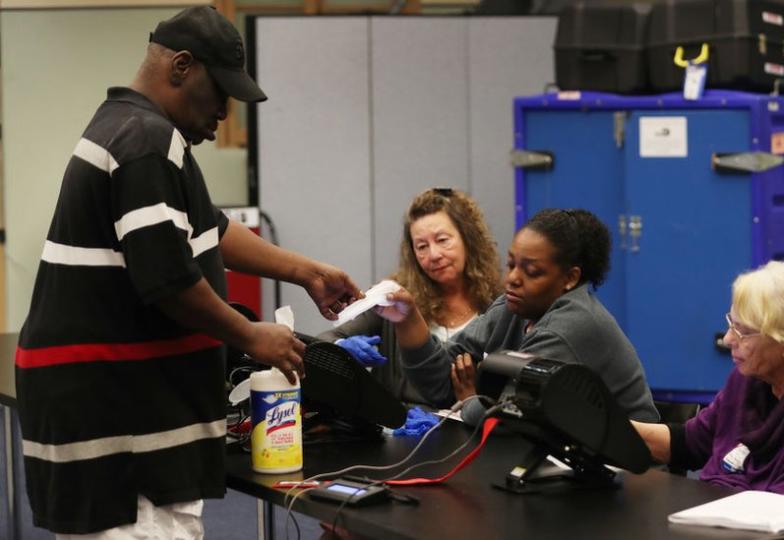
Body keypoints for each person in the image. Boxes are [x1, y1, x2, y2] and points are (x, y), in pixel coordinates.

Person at [14, 6, 361, 537]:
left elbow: (211, 230)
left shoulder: (137, 129)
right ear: (180, 66)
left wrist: (306, 271)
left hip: (116, 413)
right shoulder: (145, 142)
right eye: (219, 91)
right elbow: (168, 280)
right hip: (118, 428)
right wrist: (252, 335)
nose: (225, 111)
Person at [632, 260, 784, 514]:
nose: (729, 339)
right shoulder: (749, 379)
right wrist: (613, 431)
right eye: (731, 324)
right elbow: (691, 444)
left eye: (742, 331)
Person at [379, 208, 659, 424]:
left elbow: (506, 415)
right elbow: (440, 382)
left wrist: (470, 400)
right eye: (512, 264)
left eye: (532, 271)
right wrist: (408, 319)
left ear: (570, 278)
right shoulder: (513, 308)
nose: (512, 279)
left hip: (633, 473)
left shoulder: (571, 325)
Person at [318, 187, 502, 404]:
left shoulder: (498, 307)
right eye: (422, 246)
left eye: (443, 240)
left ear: (468, 239)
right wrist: (342, 348)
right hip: (399, 427)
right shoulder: (393, 299)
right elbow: (323, 342)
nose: (433, 255)